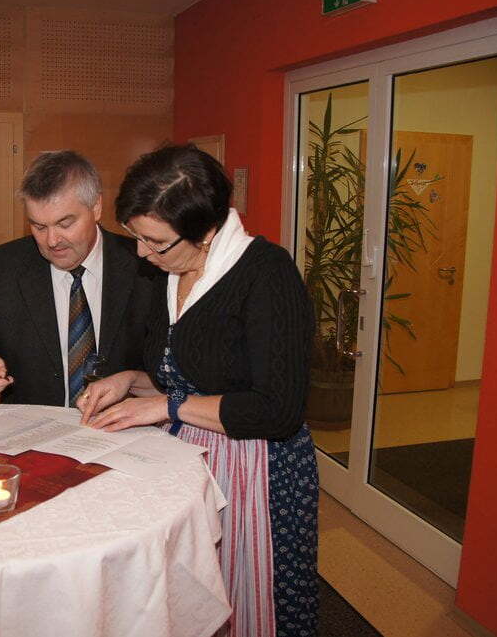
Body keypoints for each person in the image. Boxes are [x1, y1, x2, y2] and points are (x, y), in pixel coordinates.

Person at [79, 144, 319, 636]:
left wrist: (168, 406)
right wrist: (129, 380)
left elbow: (277, 410)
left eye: (155, 242)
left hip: (257, 468)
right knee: (188, 593)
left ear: (206, 231)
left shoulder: (267, 274)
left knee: (250, 596)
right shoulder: (169, 272)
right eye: (136, 236)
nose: (142, 253)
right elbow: (184, 374)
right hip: (190, 457)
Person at [0, 150, 160, 407]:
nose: (52, 241)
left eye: (65, 224)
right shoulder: (0, 268)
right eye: (39, 226)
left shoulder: (147, 265)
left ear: (96, 207)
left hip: (125, 422)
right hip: (31, 424)